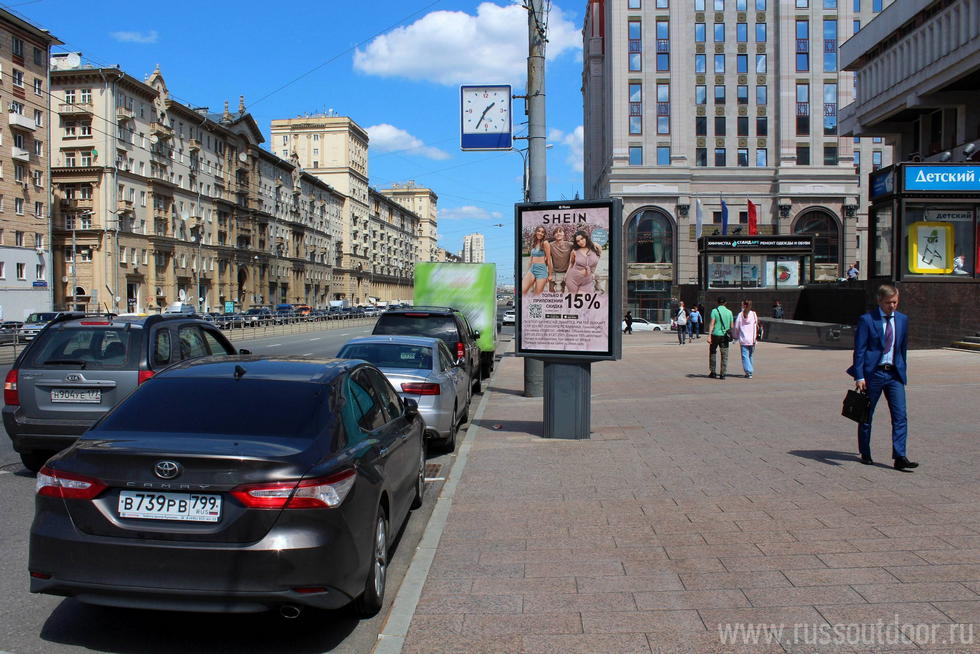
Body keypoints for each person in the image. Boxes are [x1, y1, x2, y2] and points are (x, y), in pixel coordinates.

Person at [847, 284, 917, 470]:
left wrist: (902, 369)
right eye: (888, 303)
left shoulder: (902, 320)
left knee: (900, 416)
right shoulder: (867, 320)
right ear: (879, 301)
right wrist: (859, 376)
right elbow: (859, 350)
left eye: (895, 302)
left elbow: (902, 348)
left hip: (894, 374)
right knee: (866, 415)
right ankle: (865, 452)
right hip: (874, 374)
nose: (892, 306)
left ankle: (900, 456)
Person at [521, 226, 552, 296]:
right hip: (532, 269)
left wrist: (550, 275)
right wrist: (527, 271)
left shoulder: (545, 243)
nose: (540, 233)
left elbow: (549, 259)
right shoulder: (533, 243)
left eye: (542, 232)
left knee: (537, 296)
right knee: (523, 290)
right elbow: (531, 259)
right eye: (539, 231)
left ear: (544, 234)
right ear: (536, 232)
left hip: (541, 270)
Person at [733, 300, 761, 378]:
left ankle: (749, 371)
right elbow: (756, 324)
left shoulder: (740, 315)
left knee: (745, 356)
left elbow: (736, 327)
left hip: (743, 339)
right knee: (750, 355)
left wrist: (735, 336)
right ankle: (749, 371)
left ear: (744, 305)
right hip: (752, 339)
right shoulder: (754, 314)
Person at [707, 297, 733, 379]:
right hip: (725, 336)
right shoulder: (729, 312)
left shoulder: (714, 311)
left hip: (715, 335)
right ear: (725, 303)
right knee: (724, 354)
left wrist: (709, 335)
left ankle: (713, 372)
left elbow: (712, 324)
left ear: (717, 303)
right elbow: (732, 326)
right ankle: (723, 374)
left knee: (713, 352)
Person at [549, 227, 572, 292]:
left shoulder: (570, 245)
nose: (558, 234)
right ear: (554, 235)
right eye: (556, 232)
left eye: (560, 231)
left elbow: (583, 246)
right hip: (554, 272)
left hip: (565, 272)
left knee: (562, 290)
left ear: (564, 233)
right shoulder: (550, 245)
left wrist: (596, 244)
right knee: (551, 290)